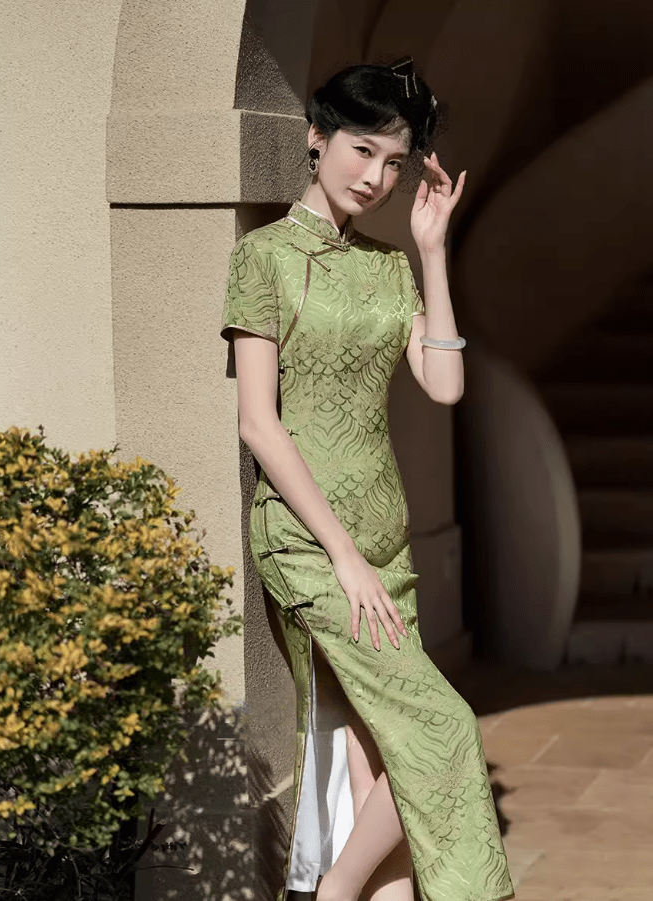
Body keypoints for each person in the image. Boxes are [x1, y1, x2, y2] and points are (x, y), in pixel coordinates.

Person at [220, 58, 515, 901]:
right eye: (362, 150)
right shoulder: (263, 258)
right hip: (313, 545)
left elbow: (445, 383)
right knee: (446, 729)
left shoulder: (390, 268)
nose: (376, 178)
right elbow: (259, 423)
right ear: (316, 137)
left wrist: (432, 251)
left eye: (394, 162)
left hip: (387, 541)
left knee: (382, 757)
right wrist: (344, 557)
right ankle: (336, 892)